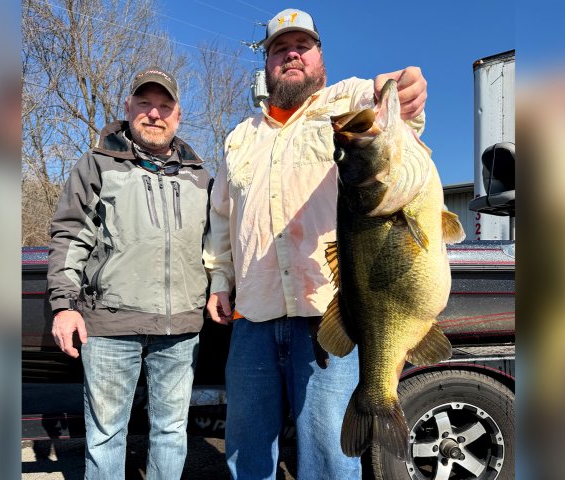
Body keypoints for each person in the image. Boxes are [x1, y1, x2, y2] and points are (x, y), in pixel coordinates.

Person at [203, 8, 428, 480]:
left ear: (320, 56)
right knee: (245, 452)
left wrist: (403, 88)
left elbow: (388, 104)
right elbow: (222, 218)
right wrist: (219, 281)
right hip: (253, 319)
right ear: (266, 64)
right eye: (279, 49)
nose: (291, 56)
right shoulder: (239, 138)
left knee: (328, 457)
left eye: (302, 46)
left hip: (328, 318)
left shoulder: (342, 103)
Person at [47, 67, 212, 480]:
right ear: (128, 108)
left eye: (164, 106)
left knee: (172, 432)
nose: (154, 114)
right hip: (109, 325)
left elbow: (219, 247)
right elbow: (70, 236)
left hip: (182, 328)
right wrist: (64, 305)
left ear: (177, 116)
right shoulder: (97, 164)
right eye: (144, 103)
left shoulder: (201, 176)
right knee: (106, 436)